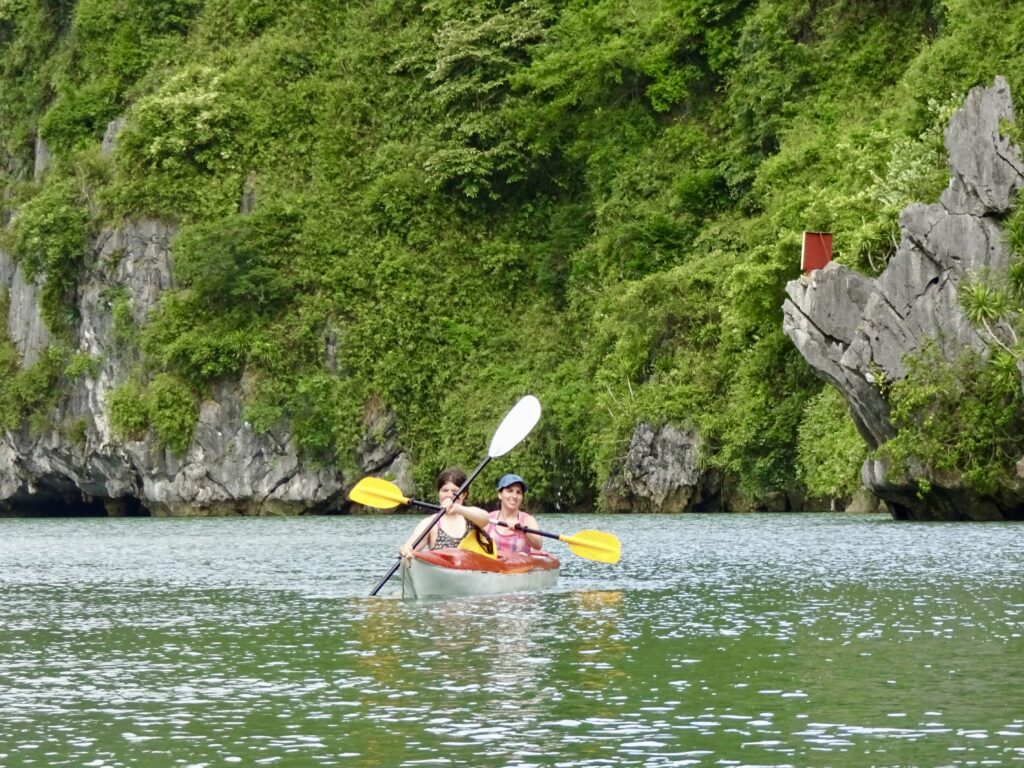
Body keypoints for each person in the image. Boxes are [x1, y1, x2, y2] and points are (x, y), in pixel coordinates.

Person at [447, 473, 542, 553]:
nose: (514, 496)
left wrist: (522, 530)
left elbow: (538, 545)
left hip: (519, 570)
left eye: (519, 492)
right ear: (500, 494)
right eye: (509, 491)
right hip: (494, 570)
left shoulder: (528, 520)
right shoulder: (488, 519)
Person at [399, 467, 474, 558]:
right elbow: (411, 545)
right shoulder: (431, 523)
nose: (449, 495)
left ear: (464, 495)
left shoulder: (472, 518)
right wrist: (406, 549)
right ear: (438, 493)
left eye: (455, 491)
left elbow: (485, 518)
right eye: (445, 490)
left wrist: (457, 509)